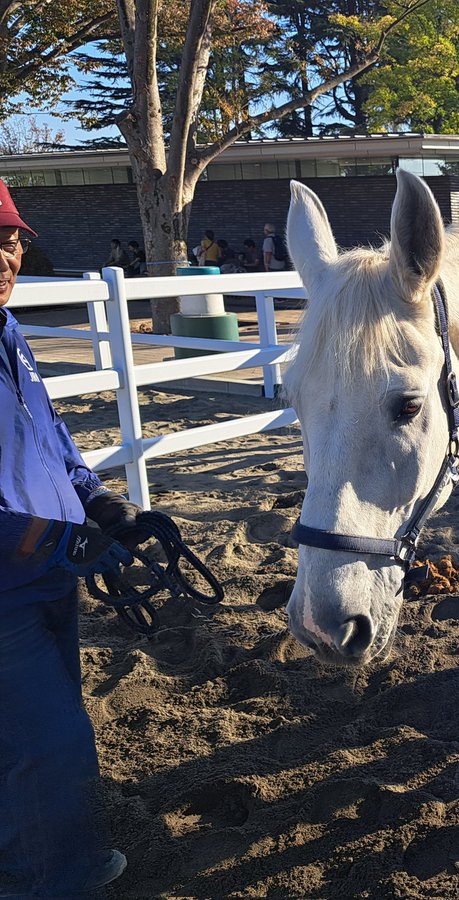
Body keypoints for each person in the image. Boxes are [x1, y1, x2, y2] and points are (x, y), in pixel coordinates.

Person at [0, 178, 137, 896]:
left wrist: (97, 502)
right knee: (50, 743)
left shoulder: (7, 333)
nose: (6, 252)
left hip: (47, 579)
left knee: (34, 737)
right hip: (8, 594)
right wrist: (53, 544)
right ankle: (53, 880)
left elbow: (49, 439)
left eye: (11, 236)